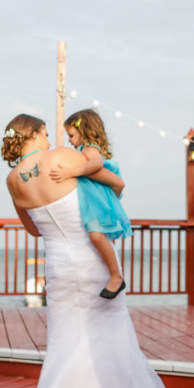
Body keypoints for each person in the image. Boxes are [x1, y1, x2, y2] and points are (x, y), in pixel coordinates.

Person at [0, 113, 179, 388]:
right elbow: (115, 183)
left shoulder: (12, 179)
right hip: (90, 259)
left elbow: (34, 229)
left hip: (57, 267)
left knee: (65, 337)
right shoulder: (62, 158)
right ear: (35, 134)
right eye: (45, 133)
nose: (51, 139)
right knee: (109, 334)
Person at [53, 108, 131, 299]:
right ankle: (113, 272)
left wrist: (70, 172)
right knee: (101, 237)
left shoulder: (88, 149)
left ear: (84, 130)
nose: (70, 140)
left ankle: (116, 276)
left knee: (96, 236)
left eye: (71, 135)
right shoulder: (83, 151)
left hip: (96, 202)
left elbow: (95, 165)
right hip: (94, 200)